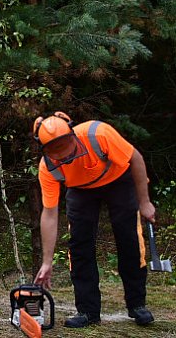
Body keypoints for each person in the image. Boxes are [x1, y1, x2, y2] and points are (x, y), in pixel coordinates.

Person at [32, 111, 156, 328]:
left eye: (67, 149)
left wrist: (144, 202)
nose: (65, 157)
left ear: (72, 134)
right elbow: (50, 214)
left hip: (118, 179)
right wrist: (46, 261)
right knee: (79, 245)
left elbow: (135, 158)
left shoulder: (98, 134)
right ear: (46, 150)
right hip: (80, 190)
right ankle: (87, 310)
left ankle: (137, 305)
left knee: (128, 238)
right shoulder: (48, 168)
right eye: (57, 154)